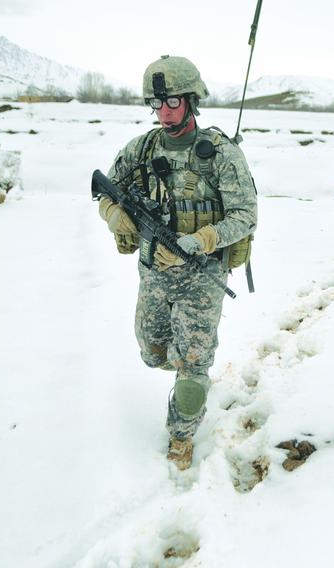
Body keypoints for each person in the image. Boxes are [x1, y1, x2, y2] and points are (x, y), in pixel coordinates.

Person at [98, 55, 258, 470]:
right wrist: (117, 216)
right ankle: (192, 368)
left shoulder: (220, 154)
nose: (164, 112)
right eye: (157, 103)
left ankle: (182, 431)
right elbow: (105, 191)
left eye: (172, 102)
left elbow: (245, 216)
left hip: (204, 275)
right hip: (154, 271)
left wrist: (200, 239)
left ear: (192, 100)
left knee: (190, 364)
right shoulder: (142, 148)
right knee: (152, 352)